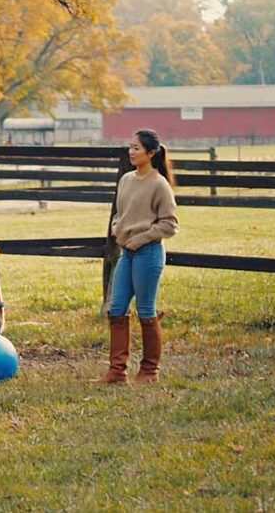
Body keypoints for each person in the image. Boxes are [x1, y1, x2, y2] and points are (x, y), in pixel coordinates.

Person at [95, 129, 179, 385]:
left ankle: (149, 371)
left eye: (137, 149)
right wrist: (117, 230)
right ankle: (117, 371)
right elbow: (120, 214)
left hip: (148, 254)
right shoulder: (126, 180)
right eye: (130, 147)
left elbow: (170, 224)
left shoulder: (159, 185)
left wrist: (140, 238)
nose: (131, 152)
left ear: (151, 153)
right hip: (126, 254)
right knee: (116, 308)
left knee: (145, 310)